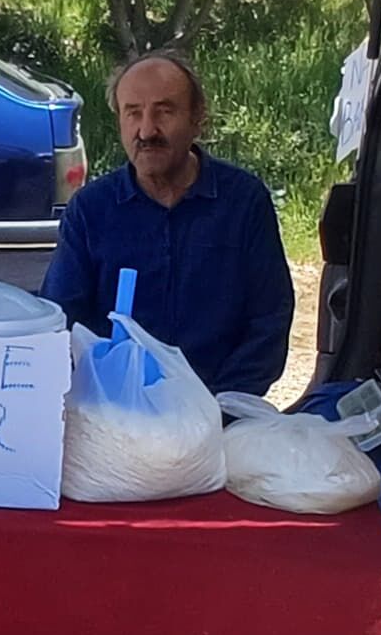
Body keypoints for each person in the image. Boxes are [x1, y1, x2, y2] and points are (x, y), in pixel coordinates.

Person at [42, 51, 294, 397]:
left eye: (164, 111)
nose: (147, 130)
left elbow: (269, 322)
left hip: (222, 412)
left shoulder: (244, 203)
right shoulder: (90, 210)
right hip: (115, 414)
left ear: (197, 119)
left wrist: (218, 407)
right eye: (133, 113)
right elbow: (61, 323)